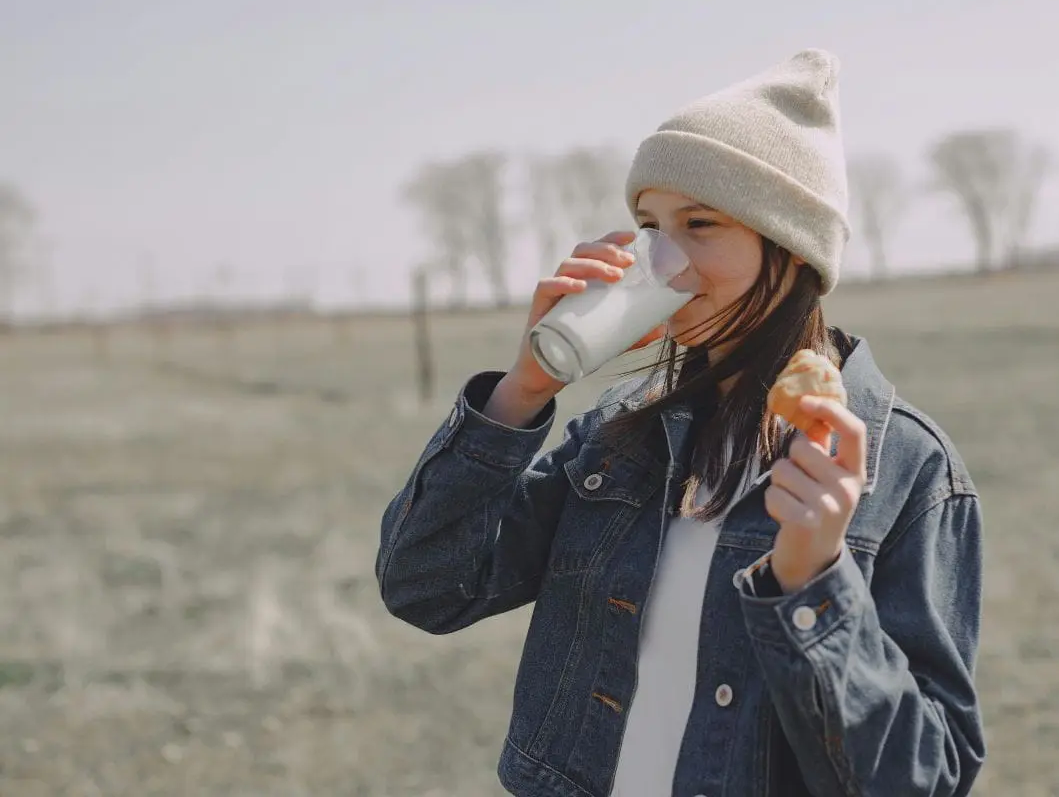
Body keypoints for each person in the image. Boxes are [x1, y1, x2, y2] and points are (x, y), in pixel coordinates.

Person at [376, 49, 986, 796]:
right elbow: (429, 588)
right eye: (648, 225)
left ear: (790, 248)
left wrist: (814, 582)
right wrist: (524, 389)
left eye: (700, 224)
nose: (662, 259)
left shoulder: (907, 472)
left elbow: (923, 780)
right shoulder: (617, 435)